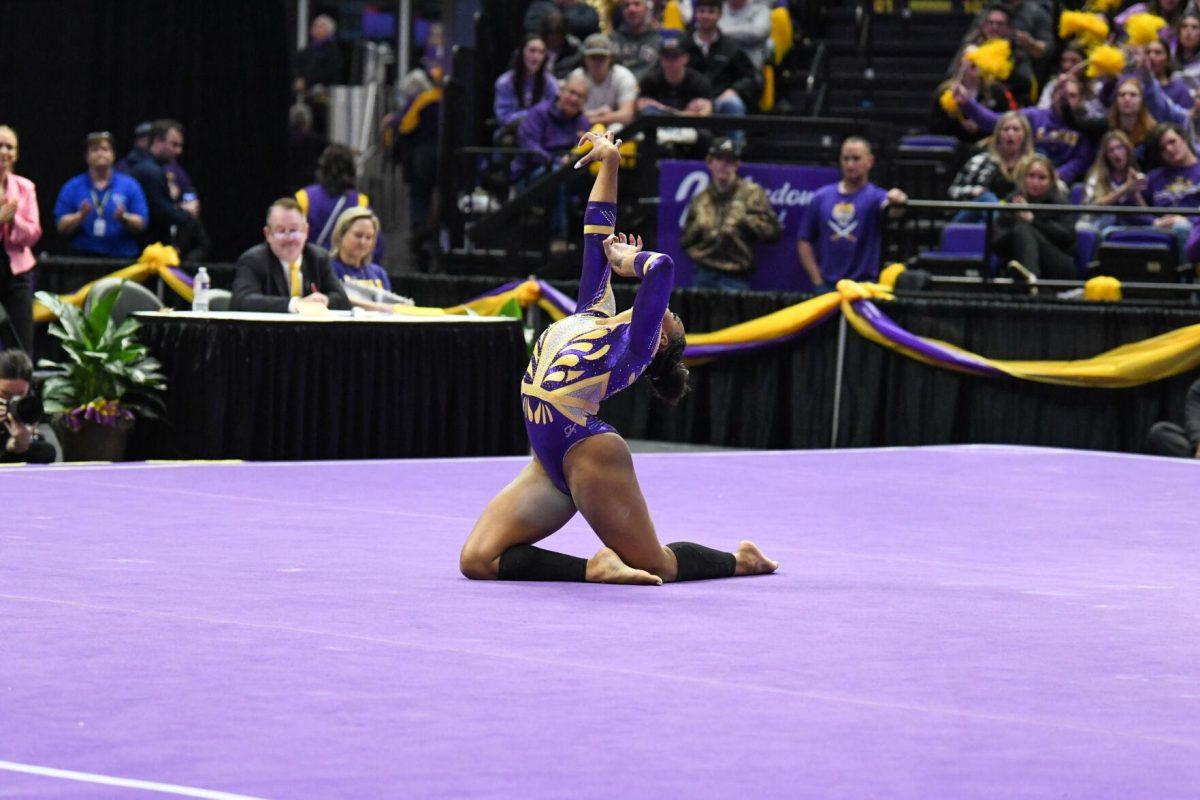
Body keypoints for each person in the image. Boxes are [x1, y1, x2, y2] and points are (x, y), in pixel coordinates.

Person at [458, 129, 778, 586]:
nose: (669, 312)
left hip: (588, 452)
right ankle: (593, 568)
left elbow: (661, 268)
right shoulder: (592, 312)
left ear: (661, 344)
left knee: (658, 564)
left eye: (674, 321)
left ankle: (739, 559)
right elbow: (596, 236)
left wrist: (631, 261)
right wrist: (610, 164)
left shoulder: (638, 346)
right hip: (547, 462)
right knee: (477, 560)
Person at [797, 137, 908, 290]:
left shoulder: (876, 196)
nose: (850, 165)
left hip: (864, 286)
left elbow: (894, 211)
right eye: (846, 159)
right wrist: (817, 280)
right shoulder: (821, 197)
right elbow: (804, 240)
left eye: (856, 159)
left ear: (870, 161)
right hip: (828, 287)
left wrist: (899, 201)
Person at [680, 137, 781, 290]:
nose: (724, 165)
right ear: (710, 162)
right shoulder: (701, 199)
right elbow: (686, 240)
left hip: (736, 275)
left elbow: (773, 233)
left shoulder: (752, 193)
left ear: (737, 164)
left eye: (730, 160)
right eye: (719, 159)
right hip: (703, 273)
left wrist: (745, 220)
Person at [952, 76, 1093, 184]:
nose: (1065, 100)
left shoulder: (1085, 124)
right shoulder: (1034, 116)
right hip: (1029, 178)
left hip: (1063, 181)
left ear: (1080, 100)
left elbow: (1081, 159)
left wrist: (1055, 175)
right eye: (1061, 94)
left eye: (1072, 95)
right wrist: (967, 102)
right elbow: (995, 122)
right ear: (1052, 96)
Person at [230, 197, 350, 313]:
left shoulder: (318, 257)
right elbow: (242, 301)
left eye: (294, 230)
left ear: (305, 231)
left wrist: (325, 300)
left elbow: (342, 300)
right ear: (268, 234)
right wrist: (295, 304)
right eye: (281, 231)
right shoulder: (252, 260)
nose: (289, 238)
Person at [54, 131, 148, 259]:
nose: (100, 153)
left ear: (113, 155)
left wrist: (124, 217)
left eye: (105, 149)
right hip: (83, 259)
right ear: (87, 157)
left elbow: (142, 223)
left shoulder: (130, 185)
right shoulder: (72, 186)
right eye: (94, 150)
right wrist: (79, 216)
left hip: (121, 259)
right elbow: (61, 226)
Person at [992, 154, 1076, 281]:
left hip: (1057, 263)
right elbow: (997, 242)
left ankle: (1030, 280)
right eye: (1031, 176)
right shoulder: (1013, 200)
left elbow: (1066, 239)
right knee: (1021, 229)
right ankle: (1030, 280)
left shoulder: (1060, 203)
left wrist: (1032, 220)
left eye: (1042, 178)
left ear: (1051, 181)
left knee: (1024, 228)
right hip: (1015, 261)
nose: (1035, 182)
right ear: (1023, 178)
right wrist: (1015, 219)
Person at [947, 111, 1033, 223]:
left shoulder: (1035, 164)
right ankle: (999, 227)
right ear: (998, 135)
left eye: (1016, 129)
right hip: (978, 214)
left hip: (1020, 219)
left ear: (1025, 135)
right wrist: (974, 191)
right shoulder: (981, 161)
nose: (1010, 133)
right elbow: (953, 191)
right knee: (986, 199)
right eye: (1006, 129)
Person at [0, 125, 41, 355]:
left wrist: (13, 220)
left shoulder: (25, 187)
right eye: (0, 146)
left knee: (21, 343)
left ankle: (21, 391)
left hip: (18, 270)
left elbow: (34, 233)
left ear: (16, 154)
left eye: (9, 147)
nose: (4, 151)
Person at [127, 119, 199, 251]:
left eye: (180, 146)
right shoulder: (149, 172)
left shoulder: (149, 168)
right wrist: (186, 212)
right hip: (148, 250)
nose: (179, 151)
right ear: (157, 141)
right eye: (174, 144)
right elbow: (161, 213)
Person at [296, 144, 380, 256]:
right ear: (351, 170)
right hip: (347, 270)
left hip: (311, 269)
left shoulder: (303, 197)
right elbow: (376, 245)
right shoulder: (361, 202)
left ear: (322, 168)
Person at [685, 0, 761, 117]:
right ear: (696, 14)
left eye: (711, 12)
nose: (706, 16)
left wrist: (734, 90)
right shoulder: (683, 45)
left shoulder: (731, 47)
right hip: (687, 101)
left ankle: (734, 136)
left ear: (720, 15)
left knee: (733, 104)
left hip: (720, 100)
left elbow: (750, 77)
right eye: (702, 11)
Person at [327, 206, 409, 312]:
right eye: (358, 235)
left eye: (369, 237)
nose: (363, 242)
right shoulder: (327, 269)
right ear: (341, 235)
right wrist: (379, 308)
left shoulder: (379, 273)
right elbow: (334, 300)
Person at [1078, 130, 1150, 235]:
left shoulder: (1134, 174)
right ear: (1106, 155)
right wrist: (1126, 188)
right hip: (1094, 224)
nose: (1116, 153)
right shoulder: (1097, 175)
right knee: (1110, 218)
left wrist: (1135, 192)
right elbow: (1094, 207)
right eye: (1111, 150)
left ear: (1127, 150)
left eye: (1120, 148)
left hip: (1124, 225)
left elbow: (1144, 214)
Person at [636, 31, 713, 117]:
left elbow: (704, 114)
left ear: (686, 58)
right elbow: (643, 110)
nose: (670, 62)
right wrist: (688, 114)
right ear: (660, 59)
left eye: (675, 57)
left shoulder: (699, 82)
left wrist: (662, 109)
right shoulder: (649, 81)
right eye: (666, 57)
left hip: (691, 128)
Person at [569, 33, 639, 128]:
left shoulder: (623, 77)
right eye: (593, 57)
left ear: (610, 58)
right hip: (582, 128)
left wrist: (593, 120)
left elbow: (627, 115)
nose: (597, 62)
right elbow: (567, 112)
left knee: (617, 127)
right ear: (584, 59)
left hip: (611, 128)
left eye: (602, 57)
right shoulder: (577, 77)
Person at [494, 35, 558, 130]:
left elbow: (554, 111)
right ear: (521, 53)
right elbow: (503, 116)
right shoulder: (505, 82)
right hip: (513, 129)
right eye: (532, 51)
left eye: (541, 52)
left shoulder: (550, 82)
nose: (536, 57)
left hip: (542, 129)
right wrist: (531, 116)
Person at [0, 350, 53, 464]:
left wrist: (20, 445)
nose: (12, 400)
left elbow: (48, 453)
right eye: (5, 393)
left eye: (20, 394)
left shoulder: (28, 407)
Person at [1147, 378, 1200, 458]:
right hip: (1197, 447)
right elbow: (1193, 421)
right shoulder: (1197, 388)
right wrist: (1198, 443)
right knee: (1160, 432)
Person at [611, 0, 661, 80]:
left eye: (637, 4)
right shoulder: (612, 39)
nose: (631, 9)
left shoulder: (659, 40)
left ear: (646, 9)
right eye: (626, 5)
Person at [719, 0, 772, 71]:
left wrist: (720, 32)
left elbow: (758, 33)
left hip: (750, 63)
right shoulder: (719, 8)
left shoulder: (760, 9)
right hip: (721, 62)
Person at [524, 0, 600, 41]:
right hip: (544, 50)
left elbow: (590, 25)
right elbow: (531, 26)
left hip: (573, 55)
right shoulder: (540, 6)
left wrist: (562, 19)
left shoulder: (585, 10)